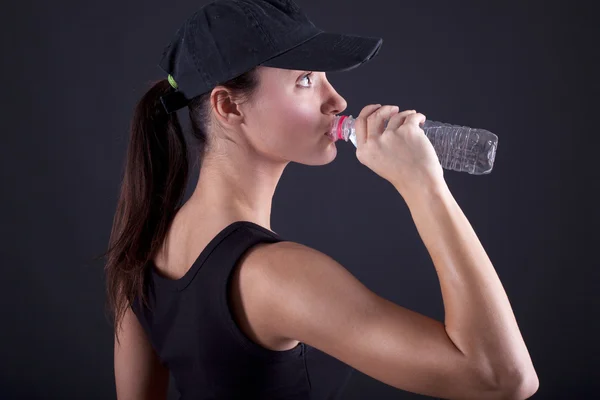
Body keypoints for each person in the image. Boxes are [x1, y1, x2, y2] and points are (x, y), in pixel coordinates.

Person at [103, 0, 539, 399]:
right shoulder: (277, 275)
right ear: (229, 107)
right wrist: (424, 186)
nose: (338, 100)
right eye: (306, 80)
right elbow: (503, 377)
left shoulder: (140, 251)